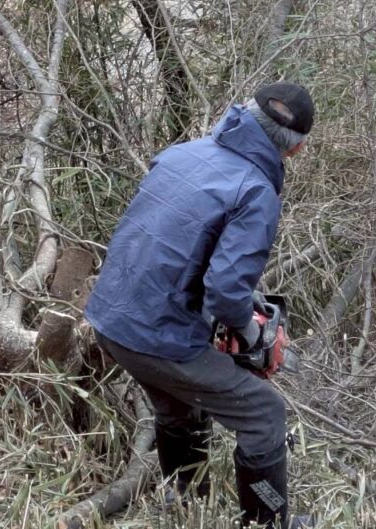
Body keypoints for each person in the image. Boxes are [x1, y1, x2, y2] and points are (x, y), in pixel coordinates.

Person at [85, 82, 315, 528]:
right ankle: (266, 525)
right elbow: (226, 291)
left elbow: (178, 246)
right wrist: (250, 333)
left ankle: (184, 502)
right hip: (155, 333)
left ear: (245, 114)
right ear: (297, 149)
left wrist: (240, 308)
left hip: (109, 317)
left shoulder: (181, 154)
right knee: (264, 414)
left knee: (178, 405)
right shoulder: (255, 192)